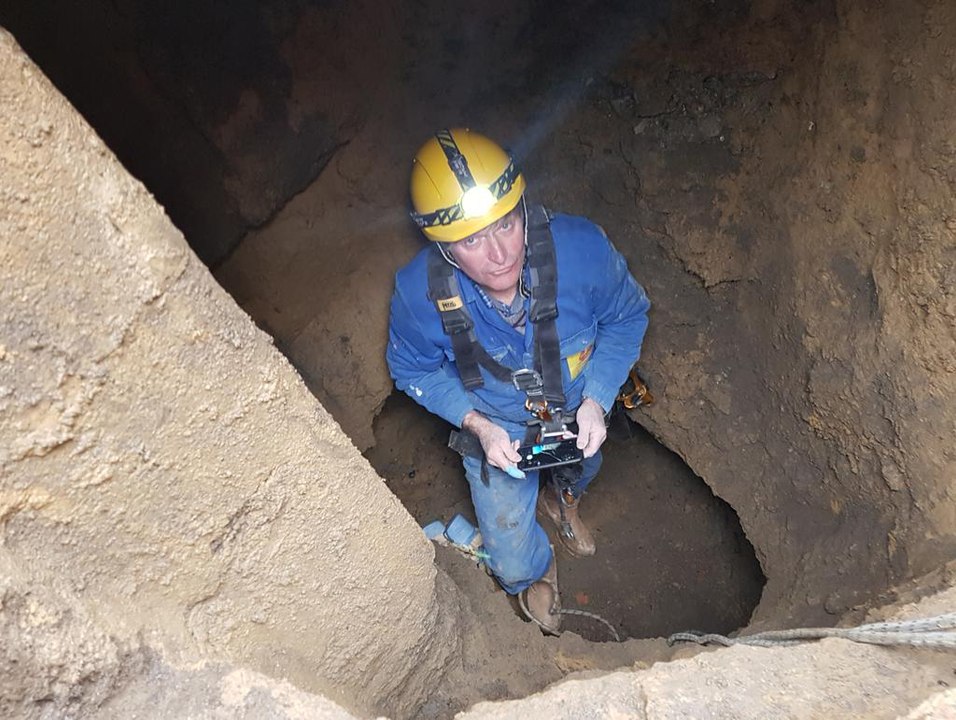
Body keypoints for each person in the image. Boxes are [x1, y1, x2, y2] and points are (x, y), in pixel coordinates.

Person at [387, 128, 650, 633]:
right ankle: (533, 569)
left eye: (506, 224)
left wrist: (597, 398)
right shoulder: (418, 297)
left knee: (584, 468)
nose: (500, 254)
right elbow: (412, 368)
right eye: (470, 240)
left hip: (579, 411)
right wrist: (478, 426)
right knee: (507, 557)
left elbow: (626, 317)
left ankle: (561, 500)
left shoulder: (582, 251)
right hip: (498, 430)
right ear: (441, 245)